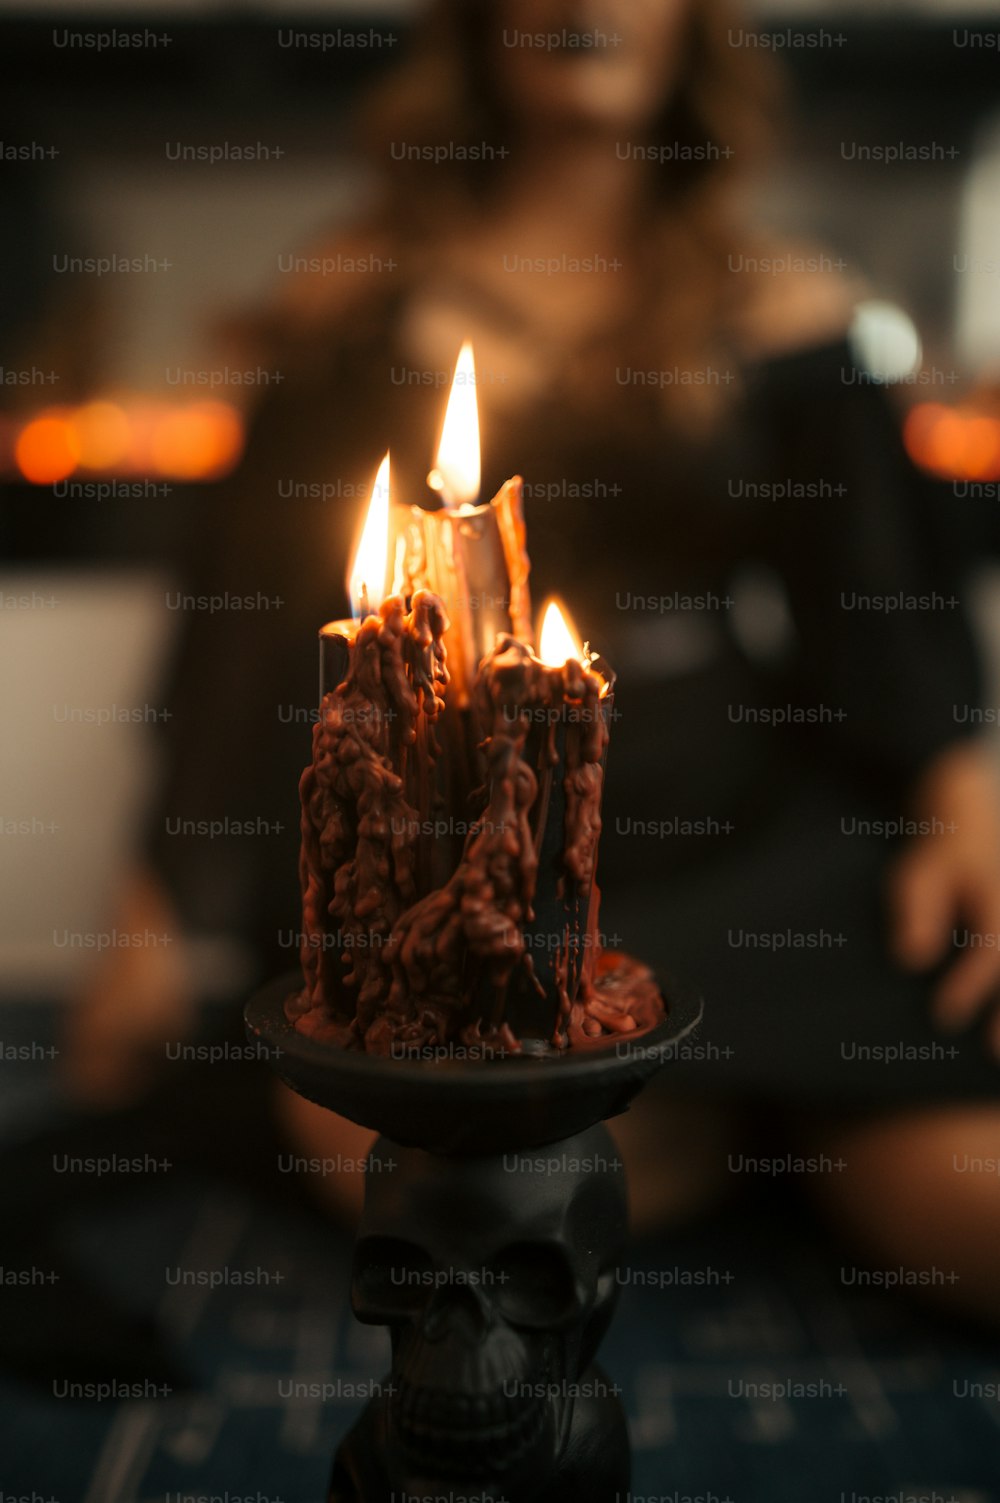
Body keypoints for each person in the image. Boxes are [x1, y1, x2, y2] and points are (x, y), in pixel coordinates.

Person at [68, 0, 1000, 1320]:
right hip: (452, 840)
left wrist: (964, 795)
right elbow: (244, 621)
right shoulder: (352, 306)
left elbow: (883, 607)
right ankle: (721, 1117)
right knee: (427, 1194)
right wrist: (164, 901)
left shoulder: (784, 306)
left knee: (967, 1209)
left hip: (739, 824)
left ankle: (721, 1102)